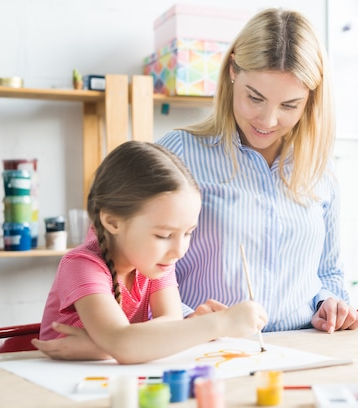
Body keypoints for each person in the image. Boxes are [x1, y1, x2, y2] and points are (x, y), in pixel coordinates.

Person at [157, 8, 358, 333]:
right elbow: (136, 271)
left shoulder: (320, 167)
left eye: (289, 106)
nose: (267, 121)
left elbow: (329, 273)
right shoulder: (177, 153)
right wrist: (185, 320)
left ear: (311, 98)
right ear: (233, 70)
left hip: (303, 347)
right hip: (208, 348)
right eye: (255, 98)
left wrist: (330, 303)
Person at [32, 141, 267, 364]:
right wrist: (220, 324)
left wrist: (99, 348)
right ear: (113, 222)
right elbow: (123, 343)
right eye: (164, 236)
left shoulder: (157, 261)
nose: (179, 250)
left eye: (188, 233)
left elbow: (168, 324)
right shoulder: (81, 265)